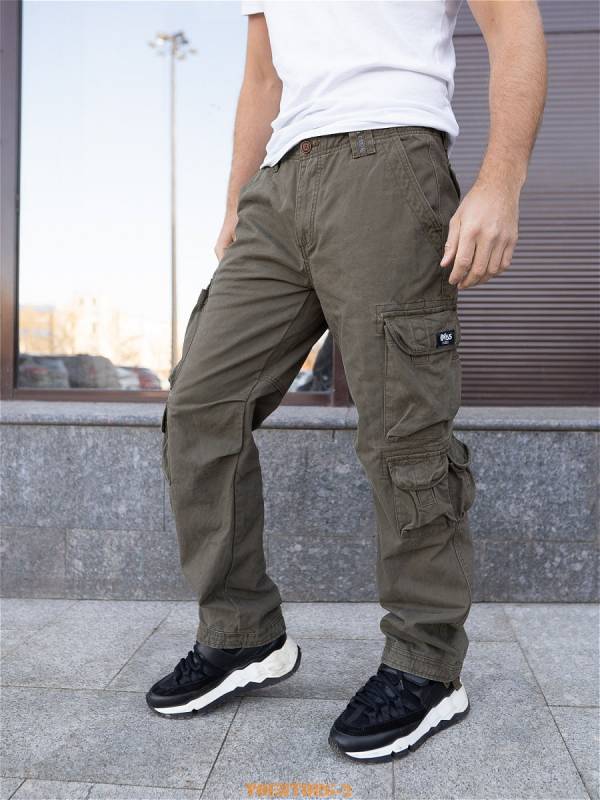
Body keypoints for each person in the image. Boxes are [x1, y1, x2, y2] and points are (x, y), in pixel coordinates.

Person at [147, 0, 546, 762]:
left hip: (389, 156)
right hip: (279, 183)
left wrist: (502, 180)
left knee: (403, 429)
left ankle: (426, 663)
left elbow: (512, 21)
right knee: (200, 405)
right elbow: (262, 76)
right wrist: (236, 202)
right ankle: (241, 631)